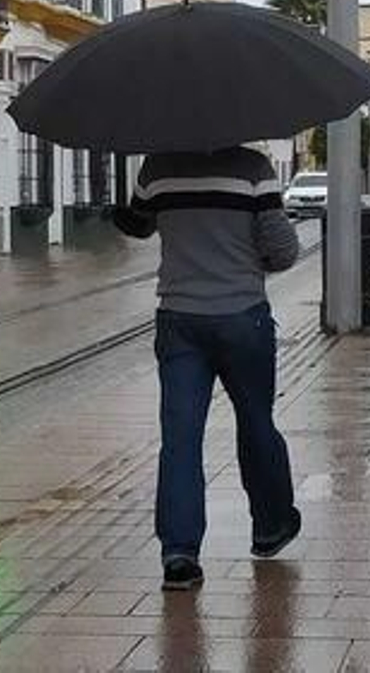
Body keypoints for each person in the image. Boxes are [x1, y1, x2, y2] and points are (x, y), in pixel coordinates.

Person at [114, 145, 302, 592]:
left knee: (180, 438)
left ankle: (179, 553)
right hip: (243, 317)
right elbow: (283, 252)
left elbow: (139, 224)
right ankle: (271, 526)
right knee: (256, 422)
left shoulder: (157, 167)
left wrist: (122, 213)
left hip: (179, 320)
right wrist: (248, 259)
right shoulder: (254, 168)